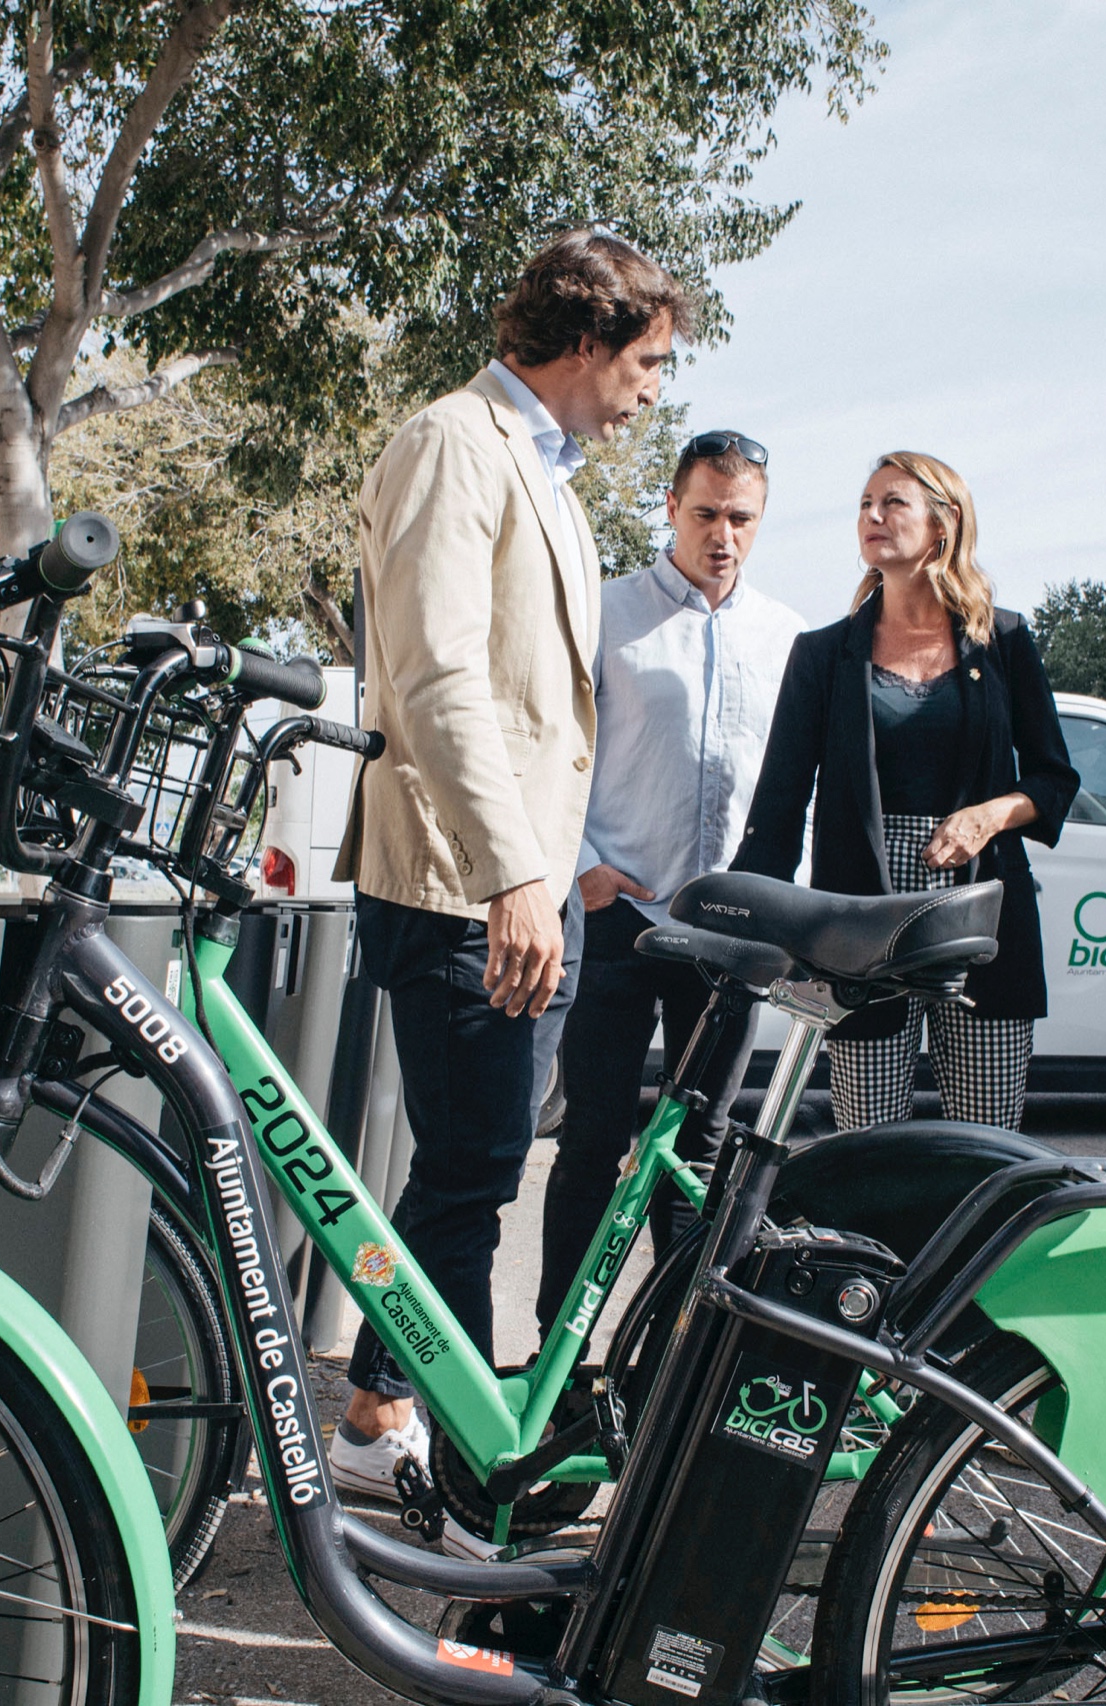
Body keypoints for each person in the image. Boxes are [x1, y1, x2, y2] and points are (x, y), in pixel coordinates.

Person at [327, 229, 689, 1528]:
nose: (656, 386)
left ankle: (380, 1413)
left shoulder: (550, 470)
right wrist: (517, 876)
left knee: (470, 1171)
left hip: (525, 882)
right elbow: (435, 679)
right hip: (466, 885)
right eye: (648, 359)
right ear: (586, 342)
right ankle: (478, 1477)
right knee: (475, 1177)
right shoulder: (451, 443)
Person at [536, 431, 808, 1334]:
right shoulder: (604, 613)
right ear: (671, 509)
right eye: (705, 514)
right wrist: (583, 872)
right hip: (621, 918)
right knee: (591, 1143)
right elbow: (549, 750)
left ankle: (668, 1358)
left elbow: (795, 780)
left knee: (702, 1151)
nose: (721, 534)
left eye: (741, 518)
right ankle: (555, 1350)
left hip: (730, 934)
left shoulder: (785, 637)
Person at [734, 451, 1079, 1132]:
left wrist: (986, 817)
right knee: (866, 1142)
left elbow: (1053, 779)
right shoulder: (823, 654)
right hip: (860, 918)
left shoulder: (1004, 641)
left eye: (893, 503)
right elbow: (779, 805)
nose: (872, 517)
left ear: (943, 523)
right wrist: (747, 927)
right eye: (865, 504)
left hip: (979, 912)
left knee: (985, 1144)